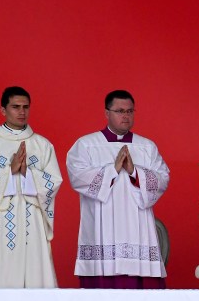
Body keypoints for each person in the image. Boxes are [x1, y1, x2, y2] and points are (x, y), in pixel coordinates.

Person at [66, 90, 170, 288]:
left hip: (137, 227)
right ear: (107, 113)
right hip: (101, 228)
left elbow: (163, 178)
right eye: (120, 111)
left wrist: (134, 172)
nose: (126, 116)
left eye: (130, 111)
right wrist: (112, 170)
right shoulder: (87, 144)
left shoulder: (146, 146)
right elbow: (77, 176)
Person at [0, 86, 62, 287]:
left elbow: (54, 181)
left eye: (26, 107)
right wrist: (8, 172)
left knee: (35, 273)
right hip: (1, 219)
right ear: (3, 110)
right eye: (15, 107)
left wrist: (29, 173)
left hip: (33, 221)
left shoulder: (42, 145)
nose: (22, 112)